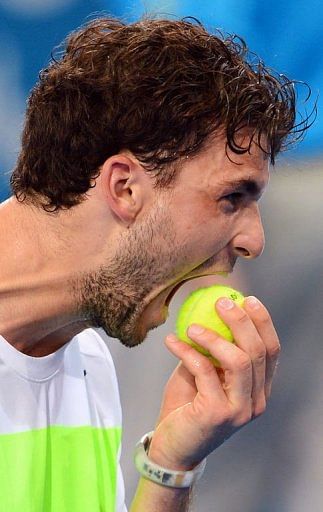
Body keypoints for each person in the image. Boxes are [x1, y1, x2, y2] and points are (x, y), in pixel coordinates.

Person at [0, 16, 309, 512]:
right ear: (124, 187)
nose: (254, 240)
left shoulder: (87, 364)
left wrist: (171, 468)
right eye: (232, 197)